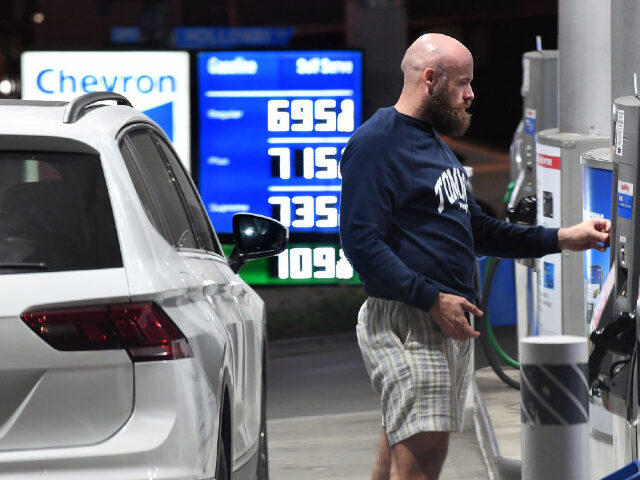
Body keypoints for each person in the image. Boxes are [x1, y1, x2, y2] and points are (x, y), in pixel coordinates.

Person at [339, 33, 610, 480]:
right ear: (430, 79)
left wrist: (563, 237)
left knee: (400, 451)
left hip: (441, 319)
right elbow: (360, 243)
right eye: (462, 83)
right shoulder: (377, 144)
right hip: (411, 319)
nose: (471, 94)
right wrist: (430, 298)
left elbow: (477, 231)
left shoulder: (434, 145)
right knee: (422, 460)